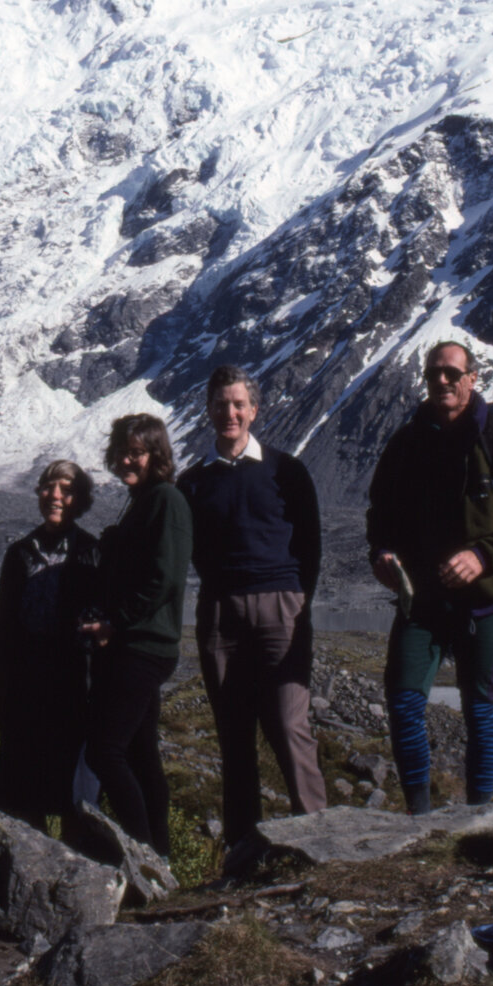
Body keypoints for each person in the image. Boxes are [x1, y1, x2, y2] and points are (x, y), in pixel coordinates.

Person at [366, 341, 493, 815]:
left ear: (473, 378)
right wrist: (383, 554)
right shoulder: (407, 442)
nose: (442, 381)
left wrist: (484, 555)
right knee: (405, 704)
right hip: (422, 601)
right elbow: (380, 514)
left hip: (485, 601)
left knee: (479, 712)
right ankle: (419, 816)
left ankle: (478, 816)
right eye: (434, 375)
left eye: (452, 373)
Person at [176, 365, 326, 844]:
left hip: (282, 606)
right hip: (221, 614)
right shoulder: (193, 482)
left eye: (238, 404)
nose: (230, 413)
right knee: (234, 734)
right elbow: (185, 548)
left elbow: (311, 543)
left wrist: (298, 599)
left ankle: (320, 839)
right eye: (221, 404)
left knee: (288, 723)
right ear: (208, 410)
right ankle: (244, 850)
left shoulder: (287, 470)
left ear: (254, 411)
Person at [79, 414, 191, 854]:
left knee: (105, 751)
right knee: (142, 755)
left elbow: (164, 577)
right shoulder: (143, 498)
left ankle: (141, 854)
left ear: (156, 455)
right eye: (122, 451)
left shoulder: (165, 499)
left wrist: (115, 622)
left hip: (142, 647)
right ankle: (159, 860)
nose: (126, 459)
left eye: (137, 452)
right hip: (135, 645)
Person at [0, 460, 99, 832]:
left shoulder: (92, 552)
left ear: (79, 499)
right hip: (24, 682)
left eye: (66, 490)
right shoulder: (20, 553)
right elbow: (3, 624)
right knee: (20, 783)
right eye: (49, 487)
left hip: (73, 683)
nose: (55, 496)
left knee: (71, 785)